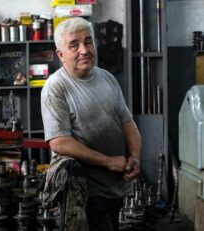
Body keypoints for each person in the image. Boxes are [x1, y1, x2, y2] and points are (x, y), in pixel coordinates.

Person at [41, 17, 142, 231]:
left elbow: (128, 123)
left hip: (115, 185)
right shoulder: (56, 87)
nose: (84, 50)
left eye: (88, 42)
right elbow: (59, 142)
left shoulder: (107, 78)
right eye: (74, 45)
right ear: (61, 55)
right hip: (84, 193)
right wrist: (107, 161)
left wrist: (134, 156)